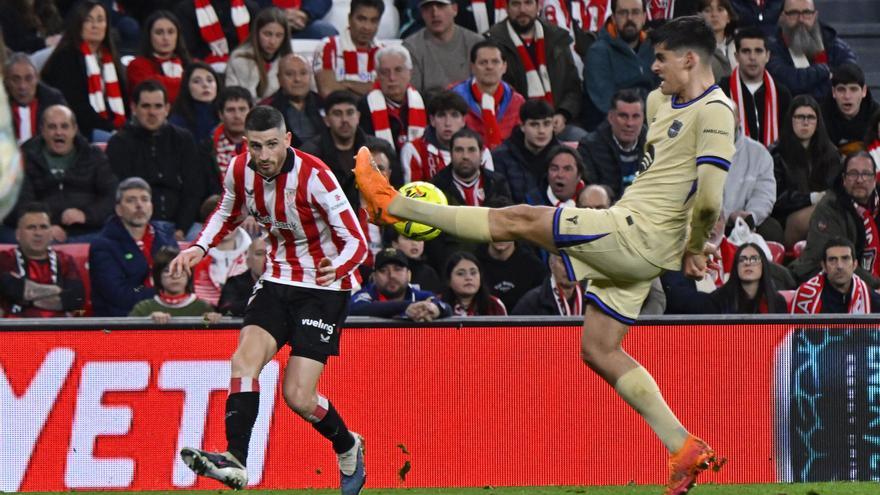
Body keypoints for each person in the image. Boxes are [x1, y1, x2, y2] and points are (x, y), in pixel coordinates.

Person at [355, 16, 733, 493]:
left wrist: (695, 248)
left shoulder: (716, 111)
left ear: (690, 58)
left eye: (661, 57)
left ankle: (391, 205)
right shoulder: (661, 101)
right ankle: (682, 445)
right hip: (637, 233)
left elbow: (710, 200)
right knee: (599, 349)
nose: (653, 66)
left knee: (520, 219)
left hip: (638, 235)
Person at [171, 106, 368, 493]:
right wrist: (199, 247)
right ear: (247, 143)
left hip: (324, 290)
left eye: (272, 145)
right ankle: (235, 459)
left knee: (298, 396)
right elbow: (227, 211)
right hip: (278, 278)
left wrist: (338, 267)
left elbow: (357, 242)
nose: (263, 156)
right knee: (244, 360)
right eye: (256, 146)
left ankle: (348, 445)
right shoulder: (240, 170)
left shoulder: (316, 177)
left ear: (287, 140)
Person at [106, 81, 204, 240]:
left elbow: (193, 190)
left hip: (183, 226)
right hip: (136, 226)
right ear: (134, 108)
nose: (152, 112)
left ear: (167, 109)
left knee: (207, 240)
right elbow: (118, 193)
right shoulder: (119, 143)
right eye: (145, 106)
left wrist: (181, 229)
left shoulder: (183, 139)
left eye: (158, 106)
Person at [15, 105, 118, 243]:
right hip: (45, 233)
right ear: (42, 131)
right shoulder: (26, 158)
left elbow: (111, 196)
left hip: (92, 228)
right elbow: (20, 202)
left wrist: (86, 215)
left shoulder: (94, 156)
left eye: (64, 126)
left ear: (74, 129)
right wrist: (44, 226)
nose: (59, 132)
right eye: (52, 127)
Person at [486, 0, 582, 132]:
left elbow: (573, 87)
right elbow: (494, 91)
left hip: (558, 123)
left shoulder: (557, 38)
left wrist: (563, 114)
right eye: (516, 4)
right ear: (506, 8)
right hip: (515, 127)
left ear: (538, 6)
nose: (522, 10)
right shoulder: (493, 42)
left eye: (528, 3)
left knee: (580, 138)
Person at [789, 151, 880, 287]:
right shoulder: (830, 208)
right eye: (853, 173)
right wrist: (876, 285)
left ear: (874, 180)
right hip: (823, 277)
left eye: (866, 174)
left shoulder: (876, 205)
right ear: (843, 179)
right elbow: (839, 262)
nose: (860, 180)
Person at [89, 178, 178, 317]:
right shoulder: (103, 245)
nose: (139, 205)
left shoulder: (167, 239)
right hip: (124, 322)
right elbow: (119, 295)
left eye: (144, 199)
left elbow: (182, 282)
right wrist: (165, 295)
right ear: (119, 209)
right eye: (131, 200)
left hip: (169, 316)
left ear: (152, 206)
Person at [41, 0, 127, 141]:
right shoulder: (66, 58)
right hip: (79, 130)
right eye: (89, 20)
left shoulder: (109, 57)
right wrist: (111, 129)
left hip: (109, 127)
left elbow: (124, 99)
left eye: (100, 20)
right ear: (78, 24)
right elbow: (78, 108)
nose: (95, 26)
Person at [770, 94, 841, 248]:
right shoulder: (776, 153)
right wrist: (811, 198)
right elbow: (775, 198)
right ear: (791, 120)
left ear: (818, 122)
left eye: (810, 117)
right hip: (788, 219)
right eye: (800, 117)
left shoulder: (831, 153)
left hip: (826, 213)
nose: (805, 122)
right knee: (824, 209)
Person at [300, 90, 384, 210]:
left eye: (350, 113)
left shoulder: (379, 149)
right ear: (326, 120)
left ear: (358, 117)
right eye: (337, 113)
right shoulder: (309, 155)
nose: (344, 119)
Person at [582, 0, 657, 131]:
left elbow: (664, 93)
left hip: (653, 126)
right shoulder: (598, 52)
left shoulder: (655, 49)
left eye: (635, 12)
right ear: (614, 18)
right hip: (611, 130)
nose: (629, 18)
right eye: (623, 13)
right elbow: (607, 105)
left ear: (644, 17)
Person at [0, 203, 85, 317]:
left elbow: (76, 299)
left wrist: (26, 295)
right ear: (18, 234)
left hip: (59, 330)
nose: (38, 233)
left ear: (51, 234)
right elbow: (9, 288)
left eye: (43, 227)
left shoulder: (65, 260)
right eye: (31, 227)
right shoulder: (4, 259)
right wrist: (56, 291)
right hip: (15, 331)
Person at [766, 0, 857, 100]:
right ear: (783, 16)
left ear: (815, 15)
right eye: (793, 13)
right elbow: (788, 82)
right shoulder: (771, 48)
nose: (800, 19)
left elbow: (849, 75)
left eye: (806, 13)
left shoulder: (832, 42)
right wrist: (824, 70)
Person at [719, 26, 792, 147]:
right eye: (746, 51)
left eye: (758, 51)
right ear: (736, 57)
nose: (752, 57)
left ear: (767, 56)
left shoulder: (782, 94)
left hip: (774, 163)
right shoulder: (722, 92)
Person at [663, 242, 787, 314]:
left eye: (754, 259)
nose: (748, 263)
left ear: (763, 266)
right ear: (735, 268)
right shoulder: (719, 300)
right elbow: (678, 297)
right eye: (742, 259)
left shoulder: (777, 302)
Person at [400, 90, 493, 184]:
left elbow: (490, 190)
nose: (448, 123)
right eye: (441, 115)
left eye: (454, 115)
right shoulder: (414, 150)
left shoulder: (481, 152)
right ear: (432, 120)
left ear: (463, 120)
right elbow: (412, 194)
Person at [449, 39, 525, 150]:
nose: (489, 67)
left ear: (504, 67)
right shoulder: (453, 97)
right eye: (483, 62)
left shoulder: (517, 102)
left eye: (495, 62)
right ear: (473, 67)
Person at [722, 104, 780, 242]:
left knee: (772, 230)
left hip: (746, 223)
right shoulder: (694, 150)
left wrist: (751, 216)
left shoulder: (759, 153)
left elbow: (765, 194)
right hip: (706, 222)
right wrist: (727, 216)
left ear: (737, 119)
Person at [403, 0, 484, 94]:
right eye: (428, 8)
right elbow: (413, 94)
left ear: (455, 9)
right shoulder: (411, 47)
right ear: (422, 13)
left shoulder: (476, 43)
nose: (435, 14)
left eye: (441, 6)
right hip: (430, 106)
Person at [577, 88, 647, 198]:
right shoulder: (589, 148)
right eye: (623, 116)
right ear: (610, 117)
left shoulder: (654, 143)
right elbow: (591, 196)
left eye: (635, 116)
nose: (629, 123)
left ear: (643, 118)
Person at [349, 247, 452, 319]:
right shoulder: (365, 294)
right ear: (374, 277)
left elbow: (445, 307)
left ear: (408, 275)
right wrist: (407, 307)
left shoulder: (420, 295)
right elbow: (355, 309)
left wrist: (435, 309)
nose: (391, 275)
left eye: (397, 269)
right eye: (383, 270)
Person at [357, 45, 426, 152]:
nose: (392, 78)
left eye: (398, 70)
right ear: (377, 76)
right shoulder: (365, 107)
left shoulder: (424, 102)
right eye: (385, 72)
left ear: (410, 73)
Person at [130, 246, 223, 323]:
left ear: (189, 274)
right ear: (158, 276)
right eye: (167, 271)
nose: (175, 276)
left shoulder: (203, 308)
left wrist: (212, 320)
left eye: (180, 269)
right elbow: (127, 338)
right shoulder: (143, 308)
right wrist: (148, 322)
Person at [492, 99, 560, 203]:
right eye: (534, 124)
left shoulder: (563, 156)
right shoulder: (500, 156)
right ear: (522, 126)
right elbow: (500, 199)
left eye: (546, 124)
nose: (541, 131)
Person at [313, 0, 384, 98]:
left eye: (373, 21)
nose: (367, 27)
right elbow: (328, 92)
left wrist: (346, 83)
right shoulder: (329, 46)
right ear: (350, 18)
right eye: (361, 19)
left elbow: (387, 93)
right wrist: (369, 89)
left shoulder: (383, 53)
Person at [791, 237, 880, 314]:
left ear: (854, 265)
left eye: (845, 258)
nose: (839, 266)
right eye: (832, 260)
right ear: (824, 266)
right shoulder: (806, 297)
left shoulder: (871, 299)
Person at [226, 7, 292, 100]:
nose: (272, 41)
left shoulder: (289, 61)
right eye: (267, 34)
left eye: (279, 35)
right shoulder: (240, 58)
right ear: (256, 32)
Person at [126, 10, 191, 105]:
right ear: (149, 36)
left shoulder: (191, 64)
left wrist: (160, 80)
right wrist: (189, 84)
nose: (166, 37)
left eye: (171, 32)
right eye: (159, 32)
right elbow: (154, 95)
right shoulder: (137, 65)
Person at [174, 0, 259, 71]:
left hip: (244, 69)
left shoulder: (250, 8)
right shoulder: (187, 9)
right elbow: (189, 49)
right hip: (203, 70)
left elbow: (254, 46)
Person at [3, 53, 66, 144]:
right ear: (7, 81)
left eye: (28, 79)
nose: (22, 86)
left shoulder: (53, 100)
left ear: (37, 78)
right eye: (16, 79)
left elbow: (72, 137)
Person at [262, 54, 323, 147]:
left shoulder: (324, 104)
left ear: (311, 76)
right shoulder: (267, 110)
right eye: (289, 74)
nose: (297, 79)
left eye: (303, 73)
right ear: (279, 78)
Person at [821, 63, 879, 156]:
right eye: (841, 89)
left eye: (853, 89)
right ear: (833, 92)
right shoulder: (819, 117)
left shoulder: (877, 117)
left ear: (864, 91)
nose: (847, 96)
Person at [512, 253, 586, 315]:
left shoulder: (591, 301)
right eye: (563, 262)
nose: (570, 269)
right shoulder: (529, 304)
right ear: (551, 264)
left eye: (576, 262)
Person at [208, 86, 254, 182]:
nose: (237, 116)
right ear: (220, 115)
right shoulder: (207, 147)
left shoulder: (265, 143)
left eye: (242, 109)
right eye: (230, 110)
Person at [169, 62, 223, 143]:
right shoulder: (177, 120)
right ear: (187, 86)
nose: (205, 85)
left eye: (210, 80)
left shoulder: (226, 113)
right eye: (197, 81)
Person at [441, 251, 507, 315]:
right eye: (460, 274)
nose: (469, 278)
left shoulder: (495, 305)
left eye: (473, 273)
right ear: (448, 280)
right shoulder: (436, 304)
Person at [218, 236, 267, 316]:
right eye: (260, 254)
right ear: (248, 262)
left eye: (271, 254)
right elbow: (226, 310)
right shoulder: (235, 283)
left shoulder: (287, 282)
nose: (267, 259)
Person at [389, 230, 443, 294]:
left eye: (419, 238)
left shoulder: (429, 273)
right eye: (408, 238)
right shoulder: (388, 271)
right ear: (395, 244)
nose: (414, 243)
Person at [697, 0, 738, 82]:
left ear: (729, 17)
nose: (714, 15)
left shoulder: (739, 46)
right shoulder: (695, 48)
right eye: (707, 10)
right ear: (699, 16)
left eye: (720, 9)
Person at [261, 0, 337, 40]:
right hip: (266, 23)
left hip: (300, 25)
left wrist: (304, 14)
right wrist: (280, 15)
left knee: (327, 31)